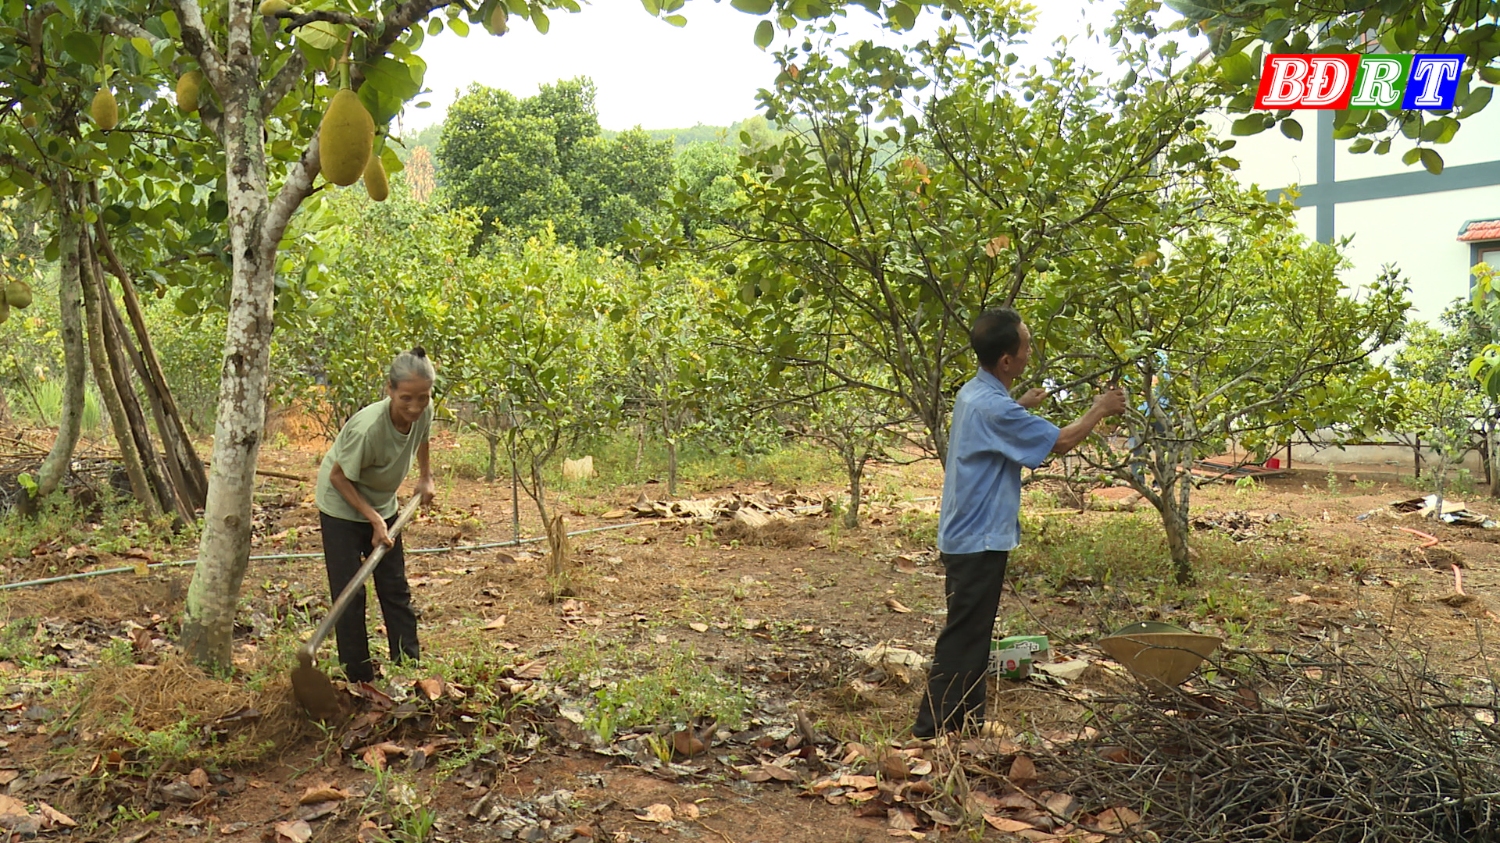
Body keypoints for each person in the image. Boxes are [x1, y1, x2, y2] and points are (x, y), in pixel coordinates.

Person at [913, 309, 1125, 739]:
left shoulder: (975, 393)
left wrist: (1020, 404)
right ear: (1007, 361)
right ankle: (930, 729)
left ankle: (964, 725)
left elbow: (999, 420)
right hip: (978, 537)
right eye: (1025, 347)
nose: (1030, 354)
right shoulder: (994, 408)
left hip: (967, 531)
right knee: (964, 637)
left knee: (973, 634)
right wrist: (1099, 409)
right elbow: (1062, 442)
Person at [314, 347, 438, 684]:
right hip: (341, 506)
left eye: (422, 398)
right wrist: (372, 519)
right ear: (390, 390)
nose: (414, 407)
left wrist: (425, 477)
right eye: (406, 398)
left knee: (394, 586)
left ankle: (408, 666)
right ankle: (359, 678)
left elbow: (422, 435)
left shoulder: (423, 410)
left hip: (383, 504)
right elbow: (339, 477)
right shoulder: (368, 428)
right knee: (350, 594)